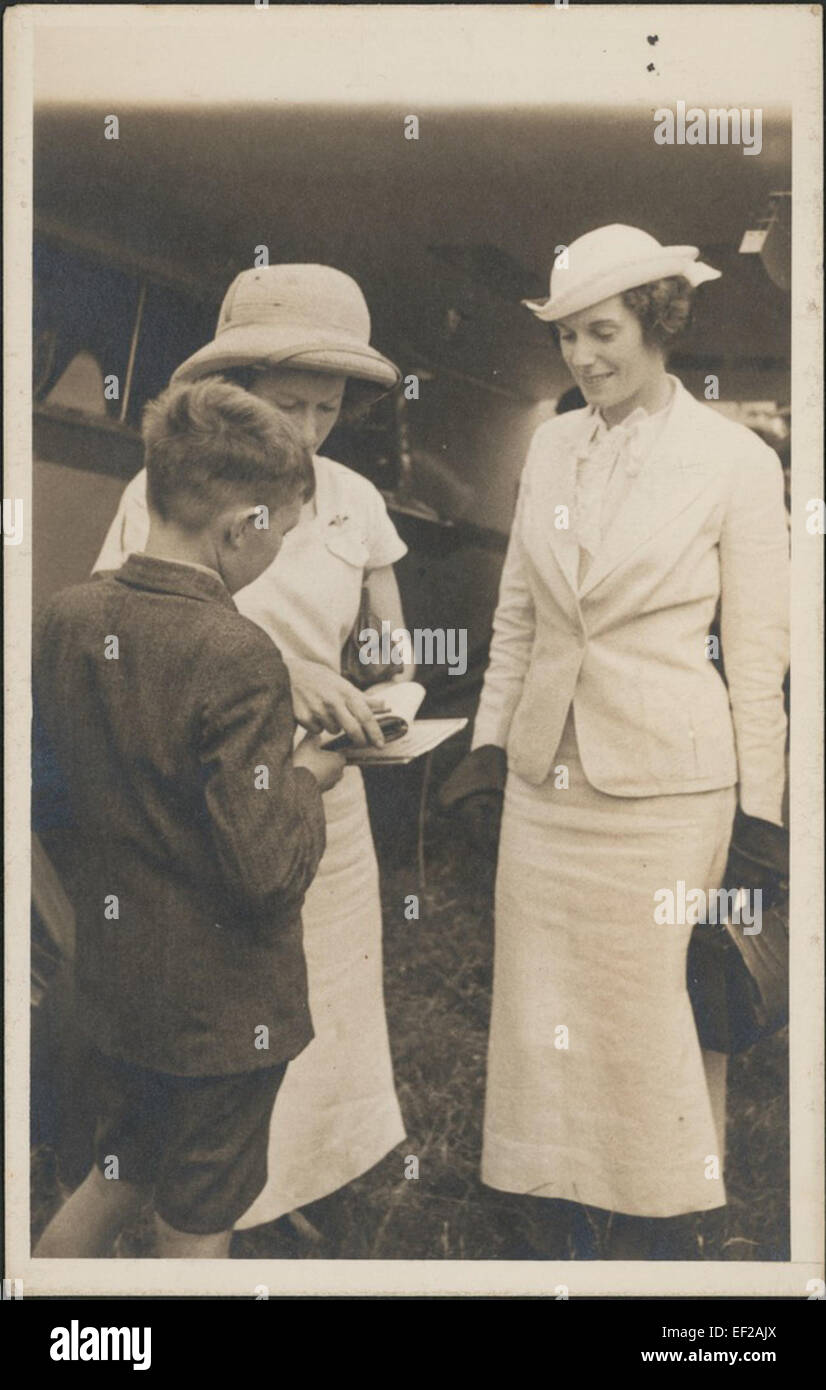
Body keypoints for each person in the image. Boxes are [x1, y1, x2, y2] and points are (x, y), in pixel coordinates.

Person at [444, 224, 790, 1258]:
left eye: (602, 333)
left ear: (657, 322)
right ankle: (549, 1206)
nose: (583, 357)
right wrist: (486, 744)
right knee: (537, 1011)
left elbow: (759, 651)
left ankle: (667, 1227)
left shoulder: (733, 459)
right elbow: (520, 616)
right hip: (547, 787)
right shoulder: (552, 443)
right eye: (566, 338)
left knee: (649, 1018)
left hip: (668, 793)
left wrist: (759, 816)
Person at [93, 264, 412, 1232]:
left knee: (325, 1013)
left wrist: (378, 695)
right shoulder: (169, 487)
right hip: (211, 813)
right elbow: (128, 635)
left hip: (327, 807)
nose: (308, 430)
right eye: (288, 404)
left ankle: (286, 1189)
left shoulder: (355, 500)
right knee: (218, 1029)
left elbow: (392, 652)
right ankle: (204, 1208)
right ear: (236, 397)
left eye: (326, 408)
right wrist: (278, 672)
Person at [33, 379, 344, 1258]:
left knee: (116, 1177)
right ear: (241, 525)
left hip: (111, 988)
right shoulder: (239, 652)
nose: (278, 548)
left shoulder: (66, 615)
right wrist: (310, 777)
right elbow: (264, 869)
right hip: (221, 1022)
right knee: (196, 1229)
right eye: (281, 531)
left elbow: (51, 799)